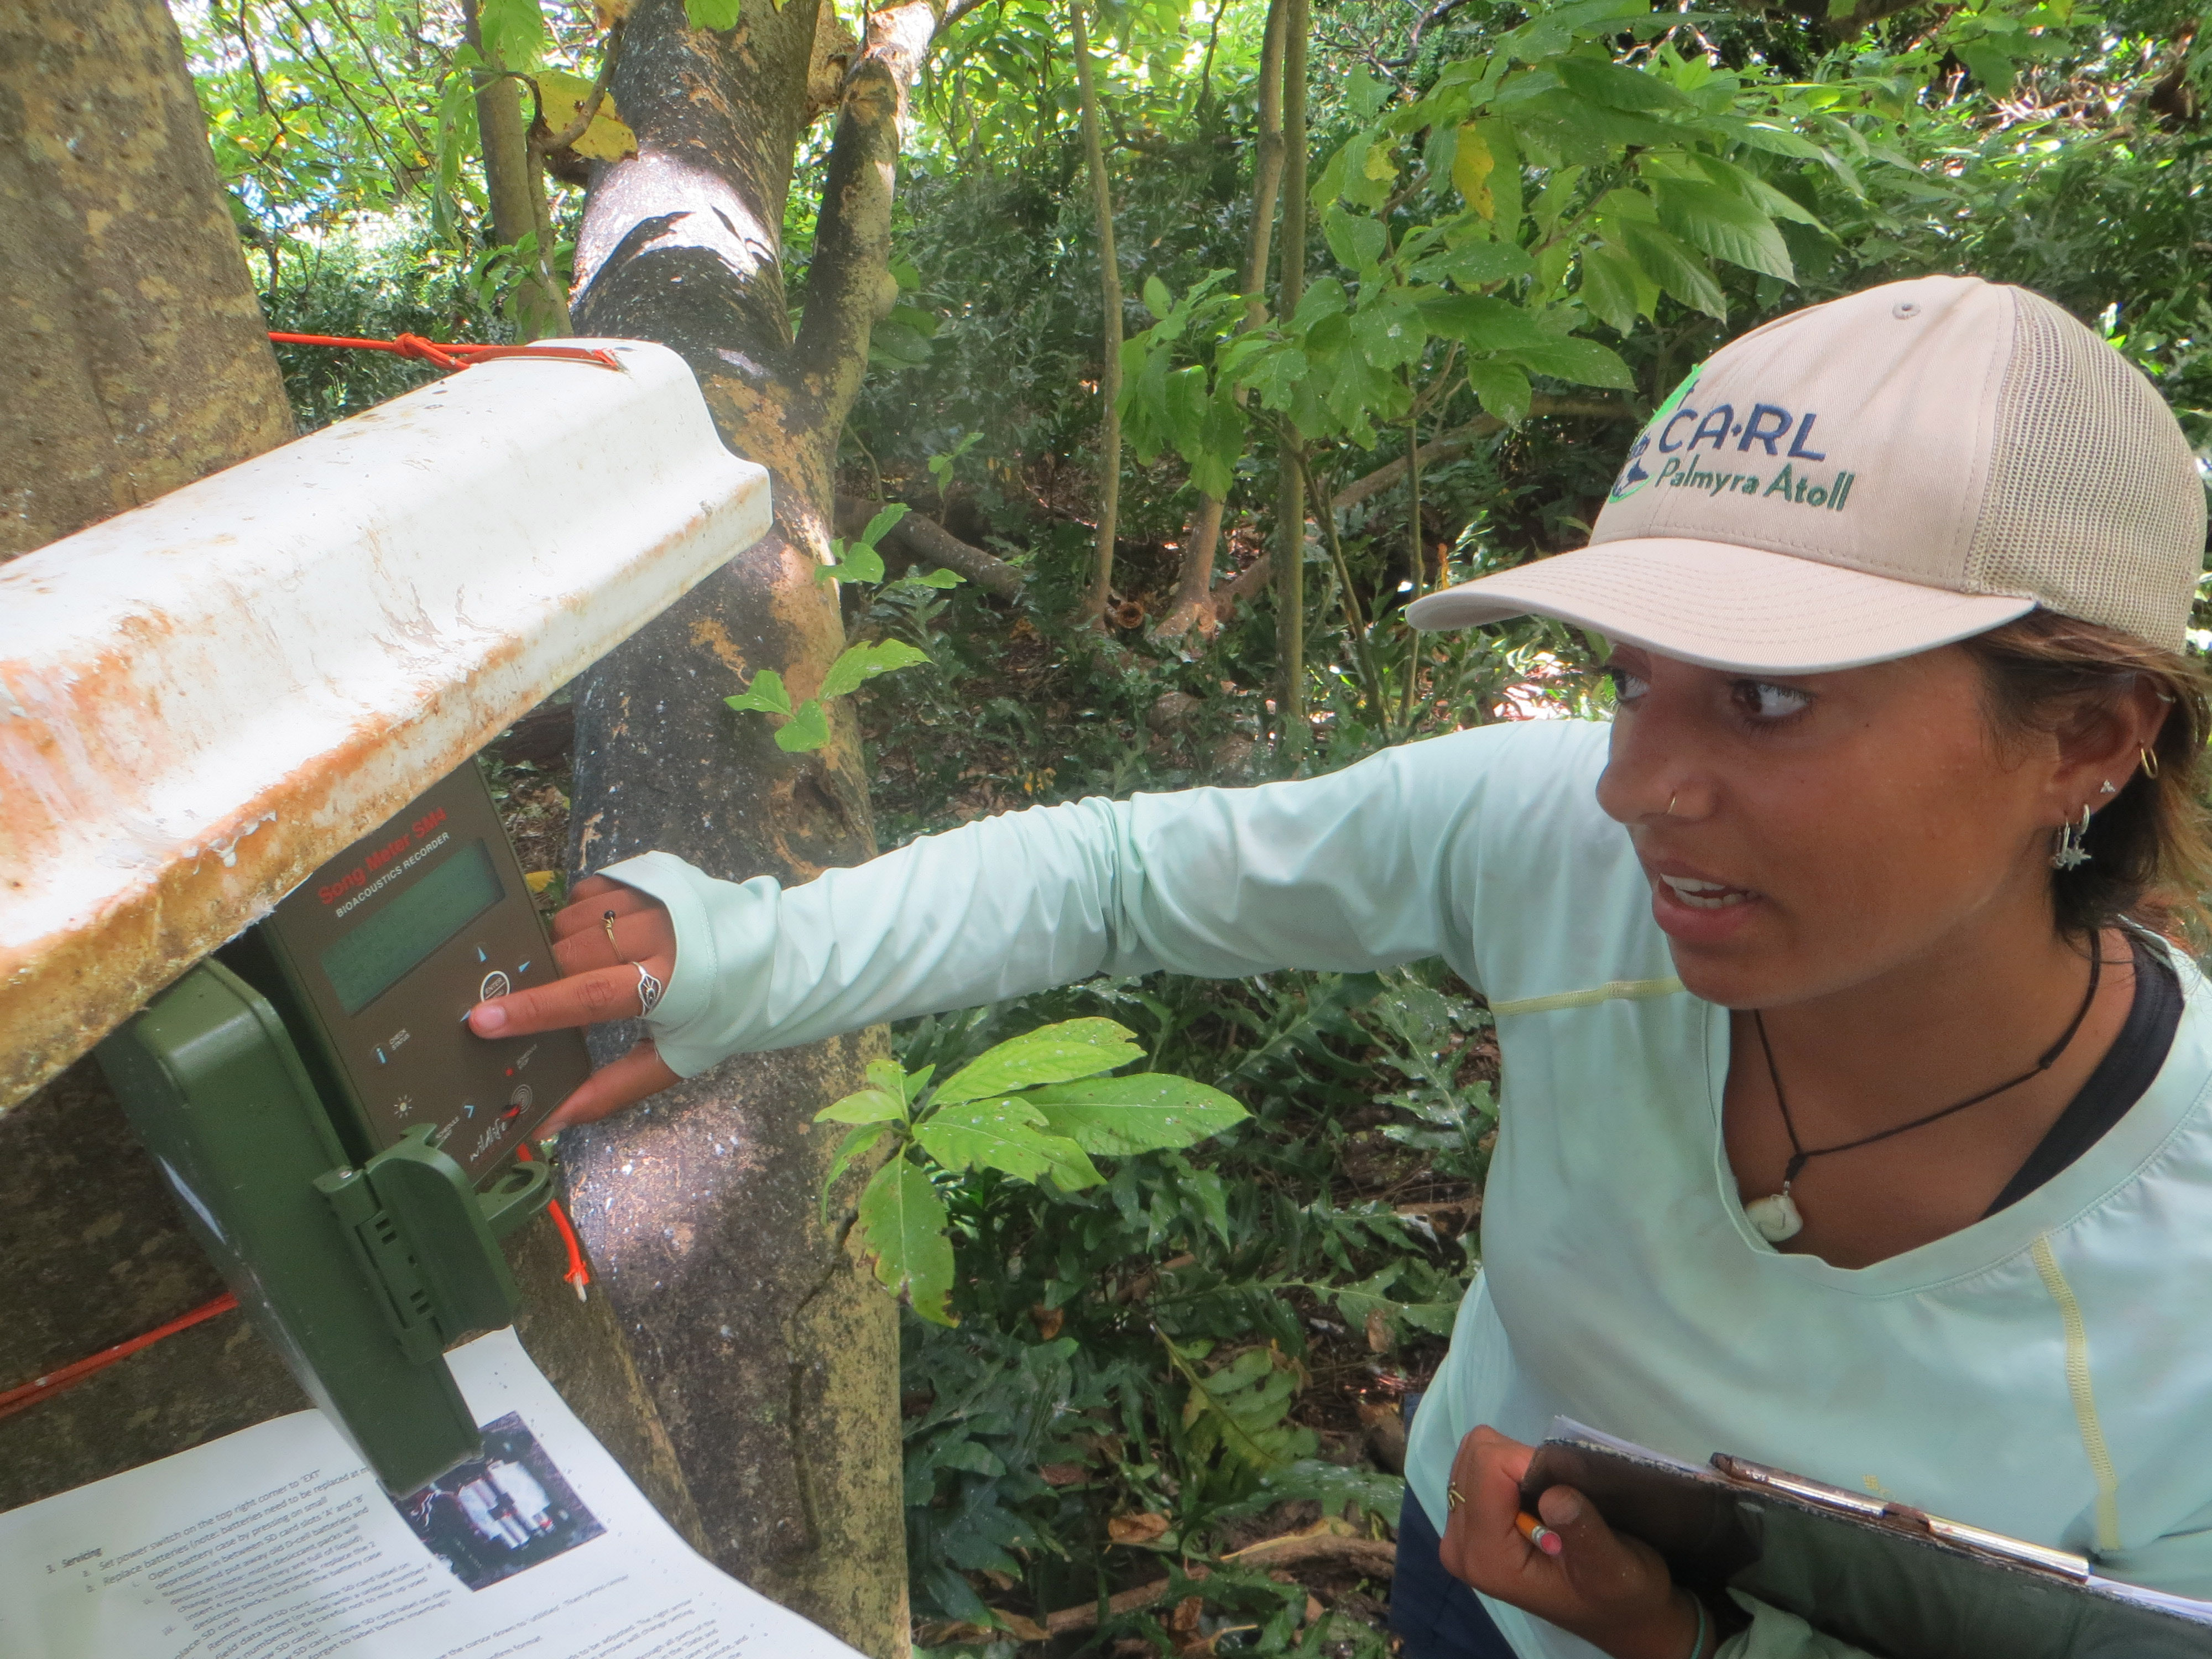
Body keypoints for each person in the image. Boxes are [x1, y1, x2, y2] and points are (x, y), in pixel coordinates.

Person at [467, 275, 2212, 1658]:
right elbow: (1118, 875)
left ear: (2085, 740)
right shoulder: (1557, 846)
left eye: (1767, 696)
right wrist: (741, 961)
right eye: (1628, 679)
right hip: (1472, 1569)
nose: (1632, 788)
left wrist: (1687, 1646)